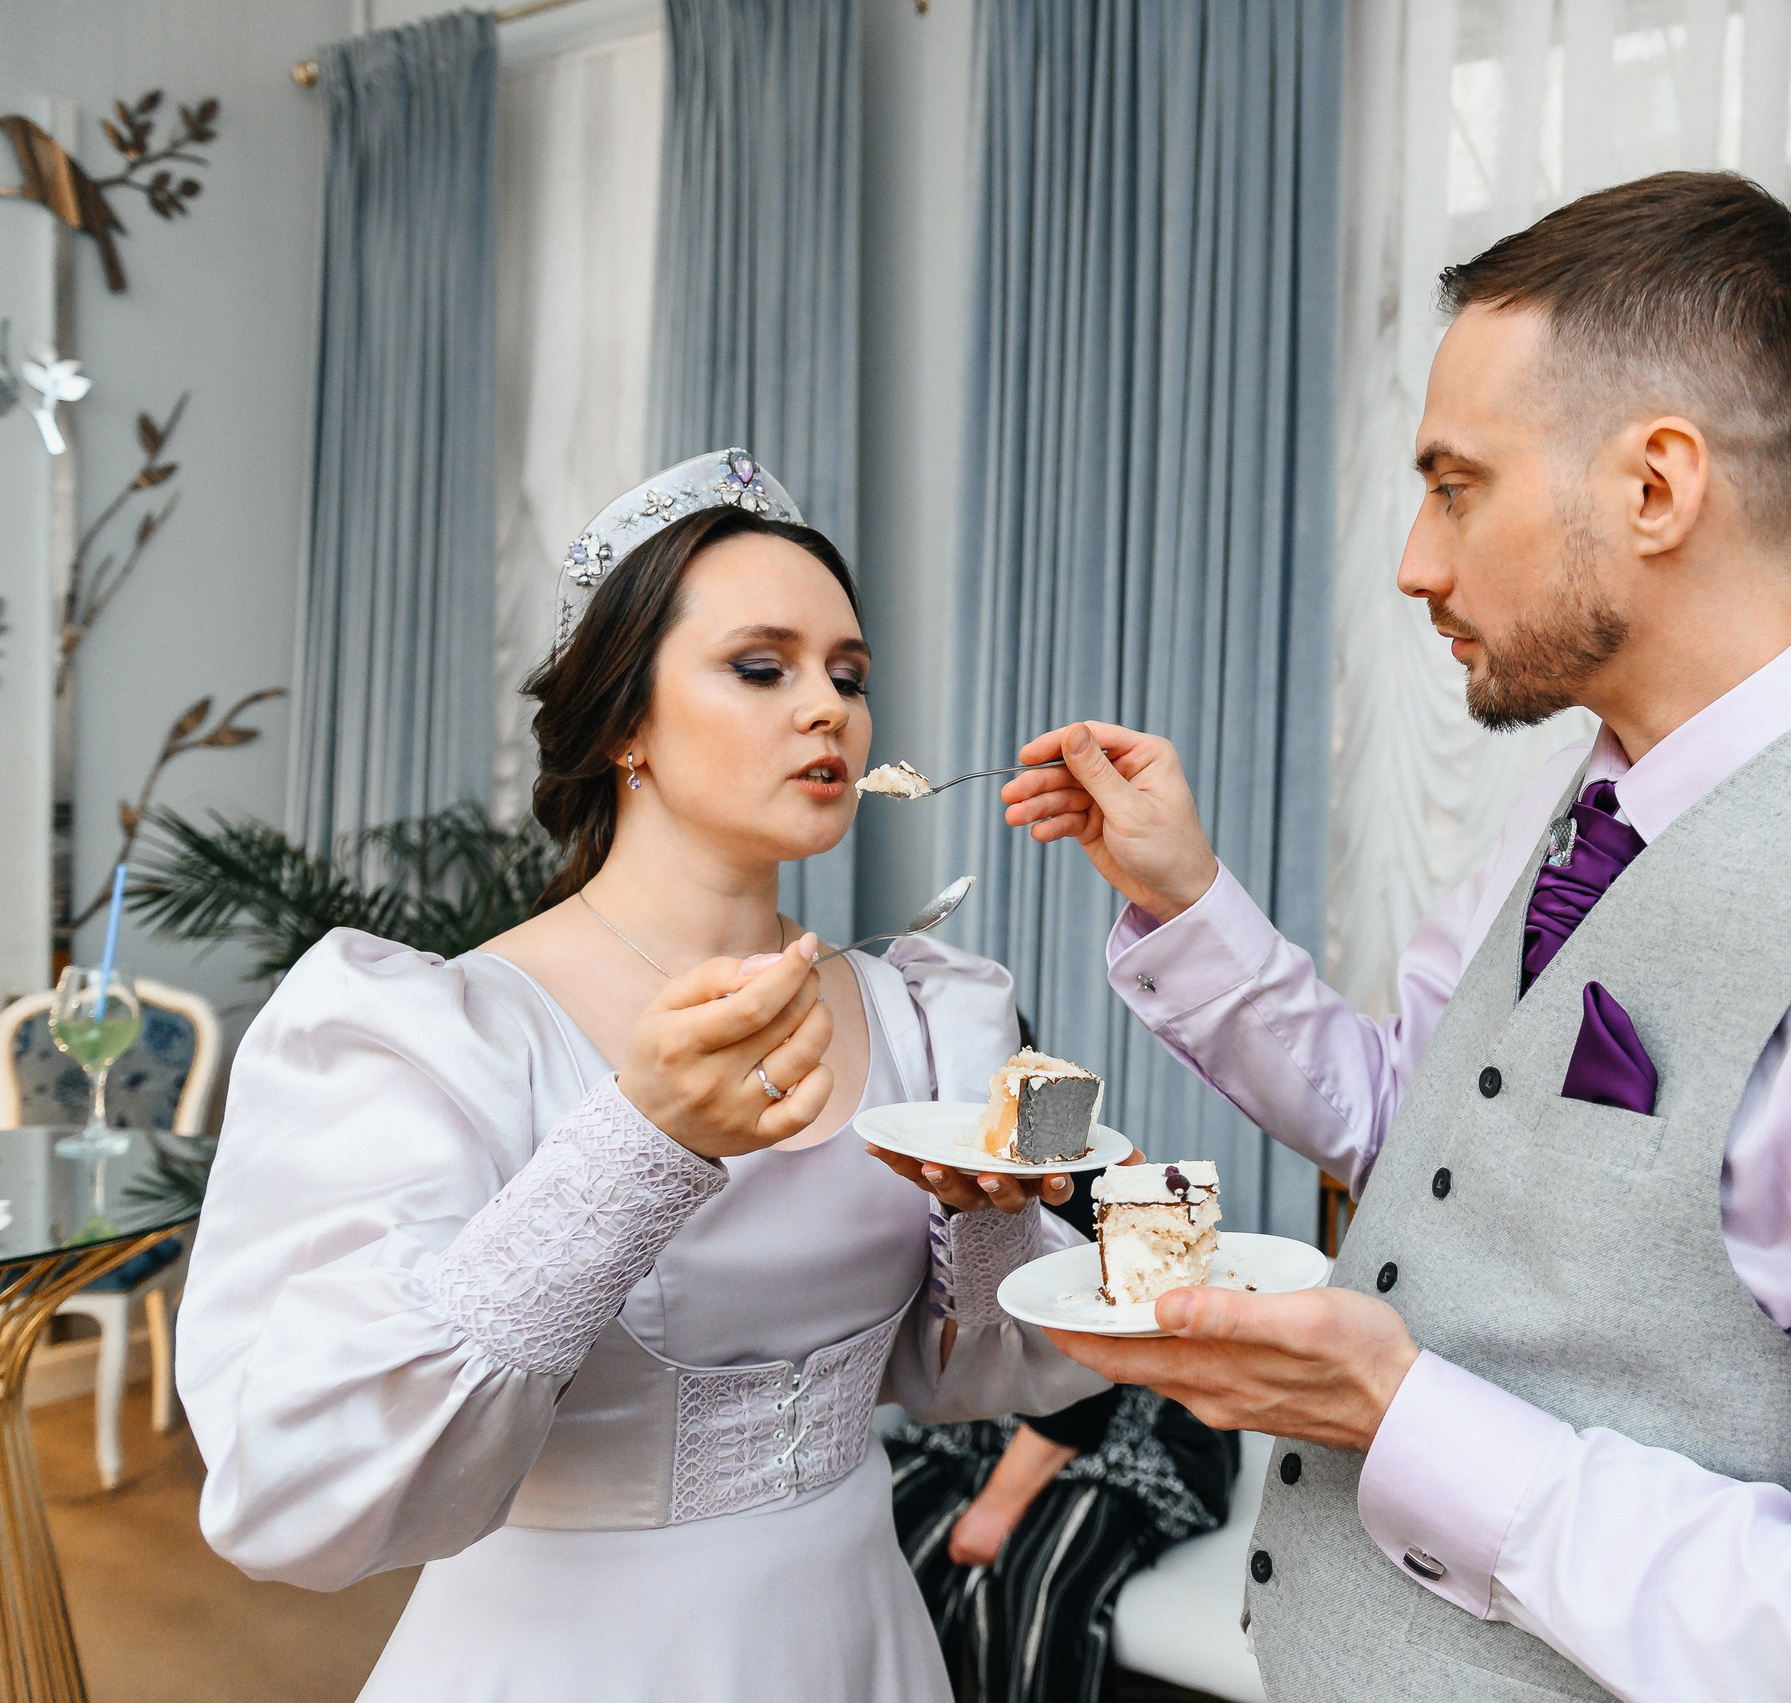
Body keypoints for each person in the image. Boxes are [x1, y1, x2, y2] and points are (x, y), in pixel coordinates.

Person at [999, 173, 1791, 1702]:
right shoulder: (1572, 803)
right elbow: (1421, 1117)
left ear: (1656, 489)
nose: (1416, 562)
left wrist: (1407, 1418)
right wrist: (1185, 895)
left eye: (1457, 485)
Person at [177, 450, 1106, 1702]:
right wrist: (641, 1140)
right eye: (761, 667)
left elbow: (975, 1372)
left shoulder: (927, 1015)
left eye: (848, 675)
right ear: (625, 723)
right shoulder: (441, 1032)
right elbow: (294, 1491)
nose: (827, 709)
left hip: (860, 1637)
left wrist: (991, 1226)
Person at [886, 1175, 1238, 1703]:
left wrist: (997, 1506)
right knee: (895, 1541)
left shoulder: (1072, 1176)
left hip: (1124, 1415)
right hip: (993, 1410)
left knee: (1034, 1590)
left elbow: (1091, 1359)